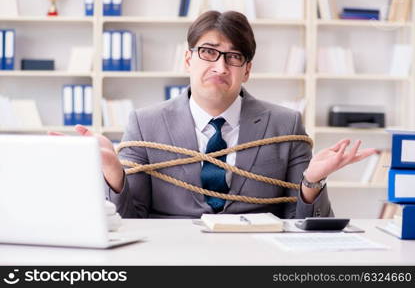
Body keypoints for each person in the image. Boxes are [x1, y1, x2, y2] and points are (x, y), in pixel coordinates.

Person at [60, 11, 376, 219]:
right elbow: (130, 218)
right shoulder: (145, 123)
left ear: (248, 70)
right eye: (209, 52)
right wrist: (114, 175)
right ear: (188, 59)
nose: (220, 67)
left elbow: (304, 224)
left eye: (234, 57)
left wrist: (312, 182)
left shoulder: (285, 124)